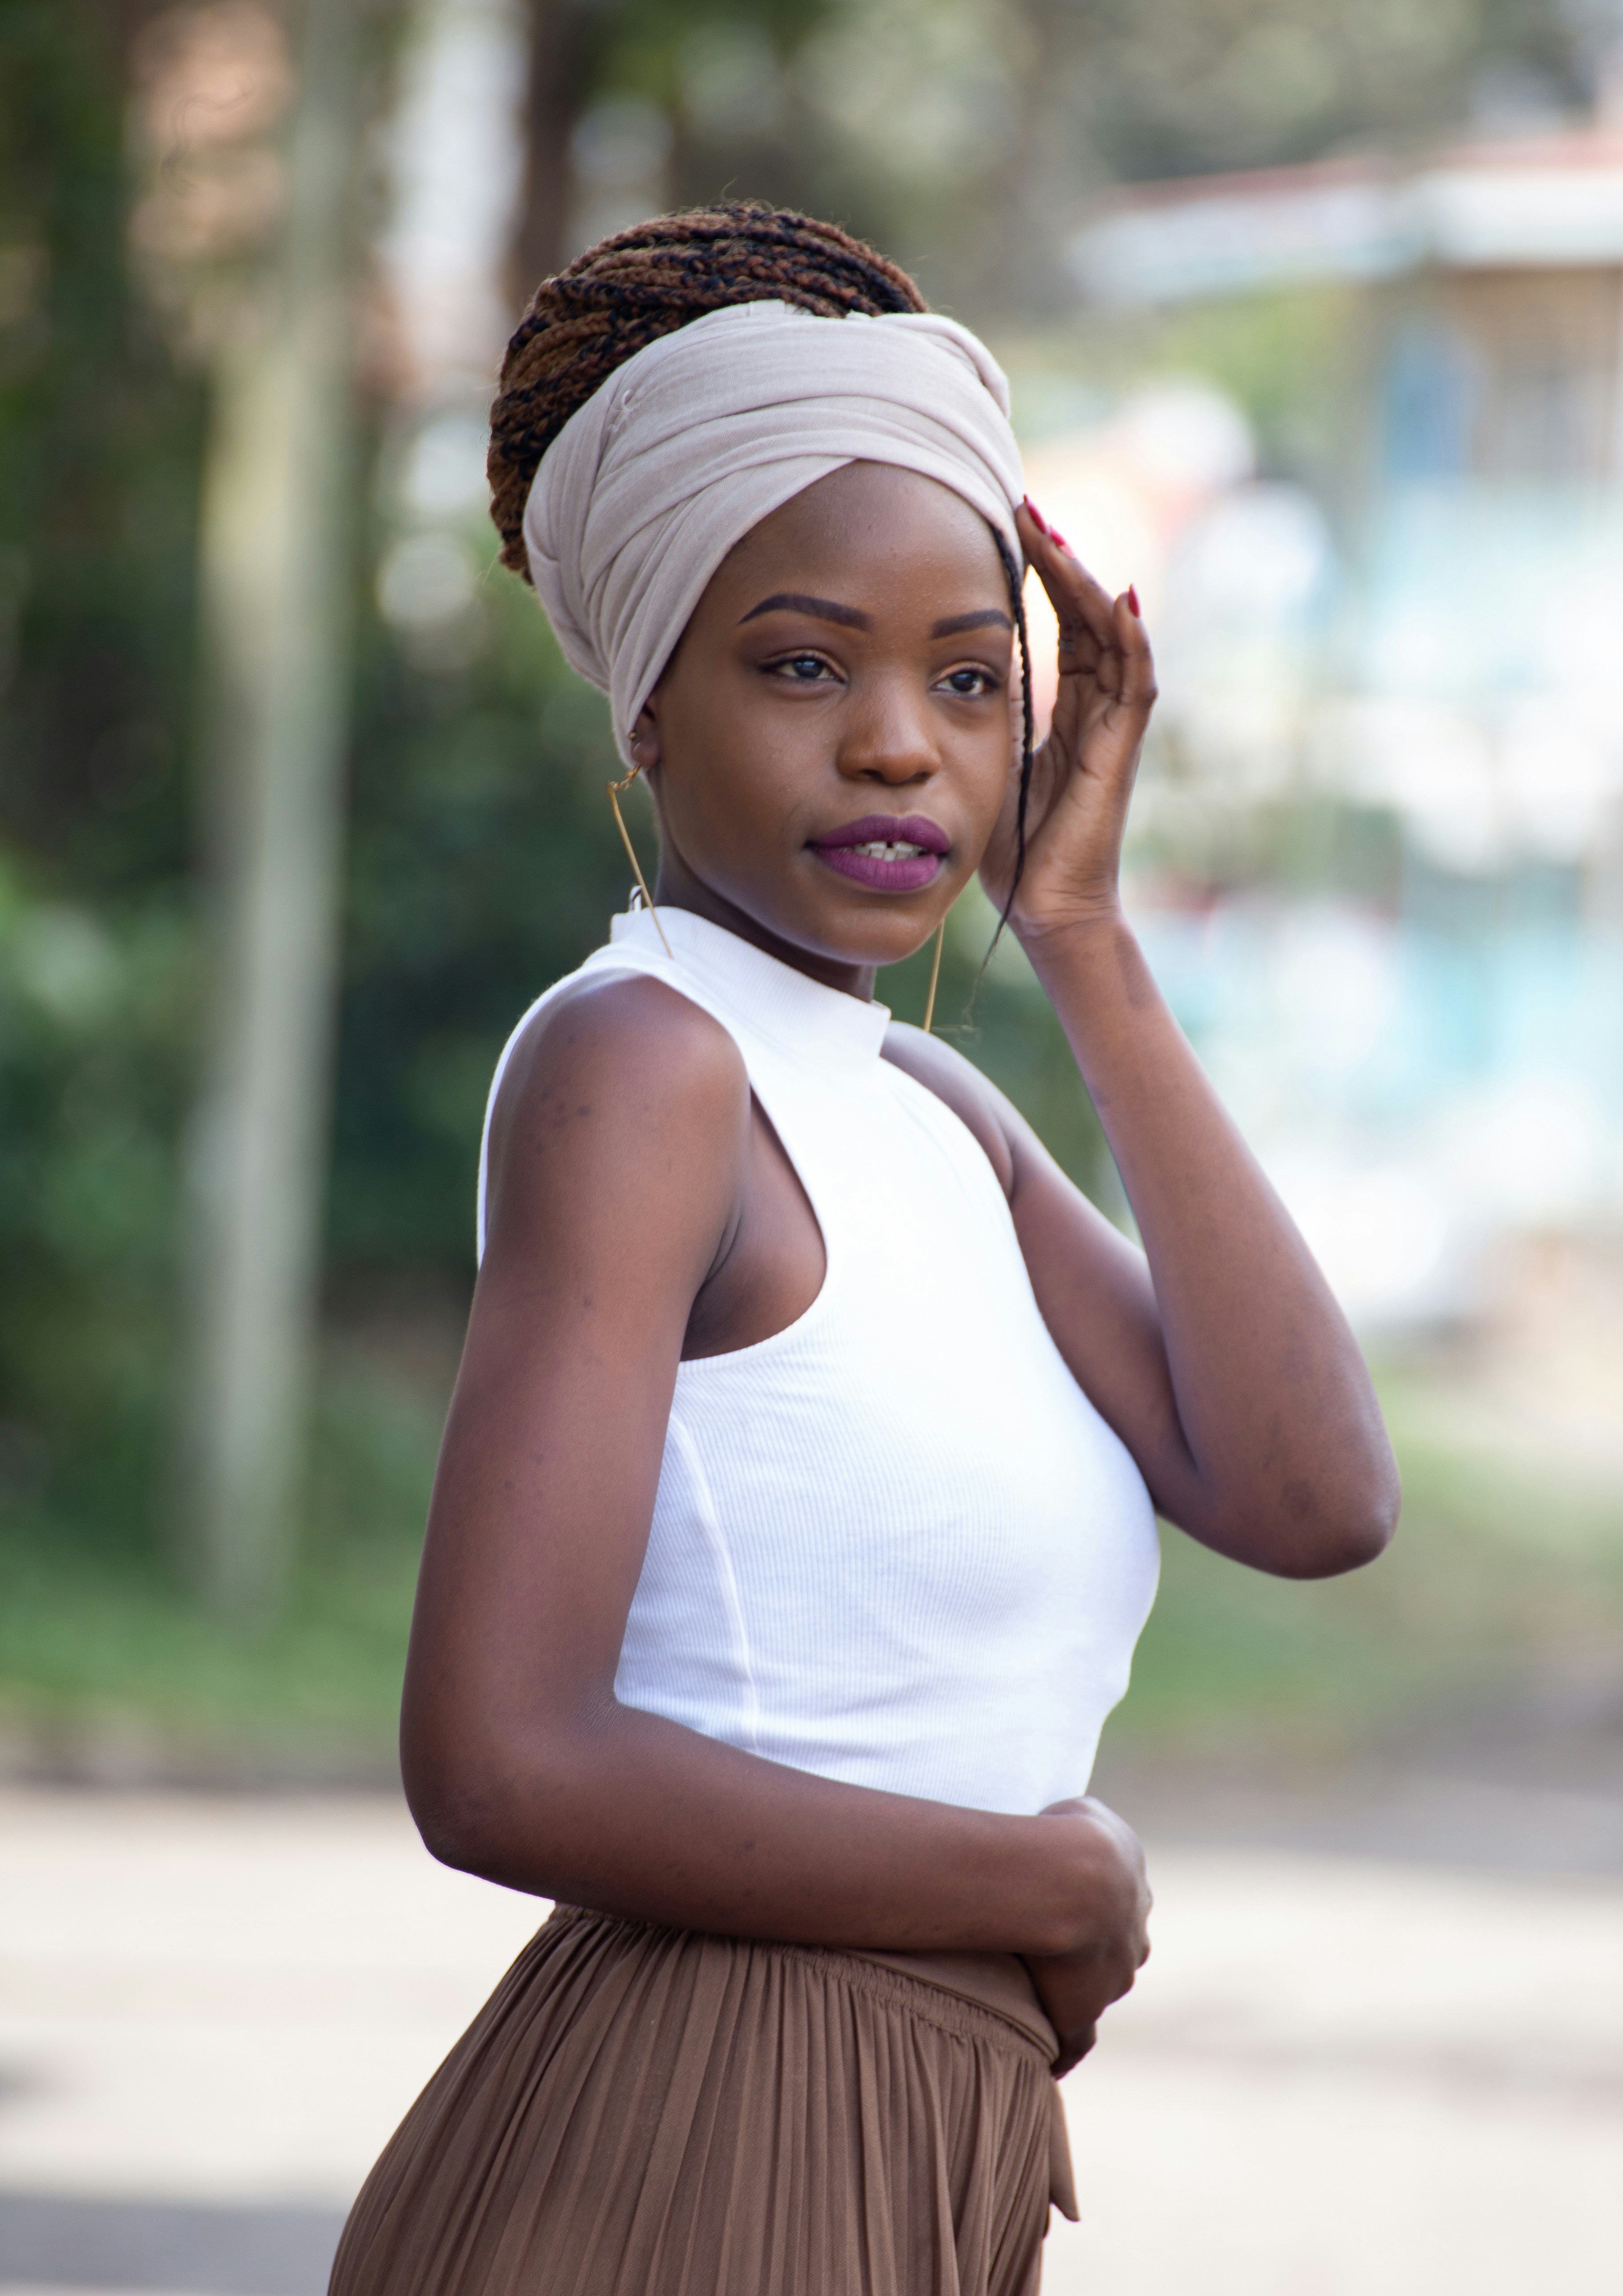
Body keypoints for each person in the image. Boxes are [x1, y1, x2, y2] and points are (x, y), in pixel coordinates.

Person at [329, 204, 1399, 2296]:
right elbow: (494, 1754)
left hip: (920, 2140)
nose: (901, 742)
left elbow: (1314, 1494)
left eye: (971, 678)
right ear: (648, 710)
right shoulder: (644, 1069)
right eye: (803, 662)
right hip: (701, 2137)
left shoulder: (927, 1114)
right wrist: (1048, 1876)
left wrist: (1081, 940)